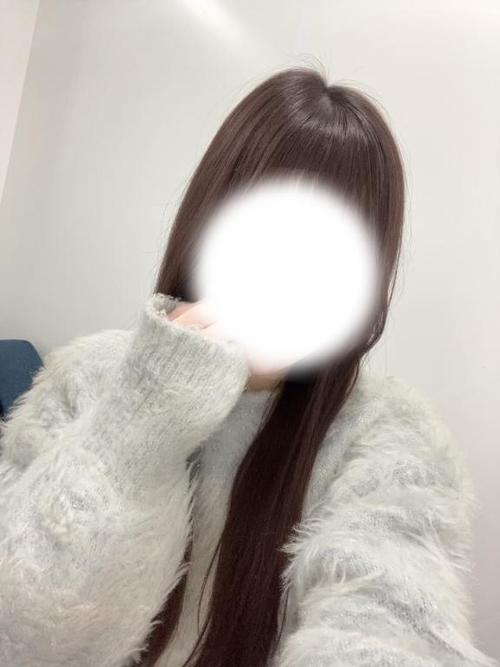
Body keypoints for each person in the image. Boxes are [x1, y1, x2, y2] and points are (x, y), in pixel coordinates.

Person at [0, 67, 496, 667]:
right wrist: (144, 414)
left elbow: (388, 617)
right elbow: (19, 634)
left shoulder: (388, 438)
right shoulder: (88, 378)